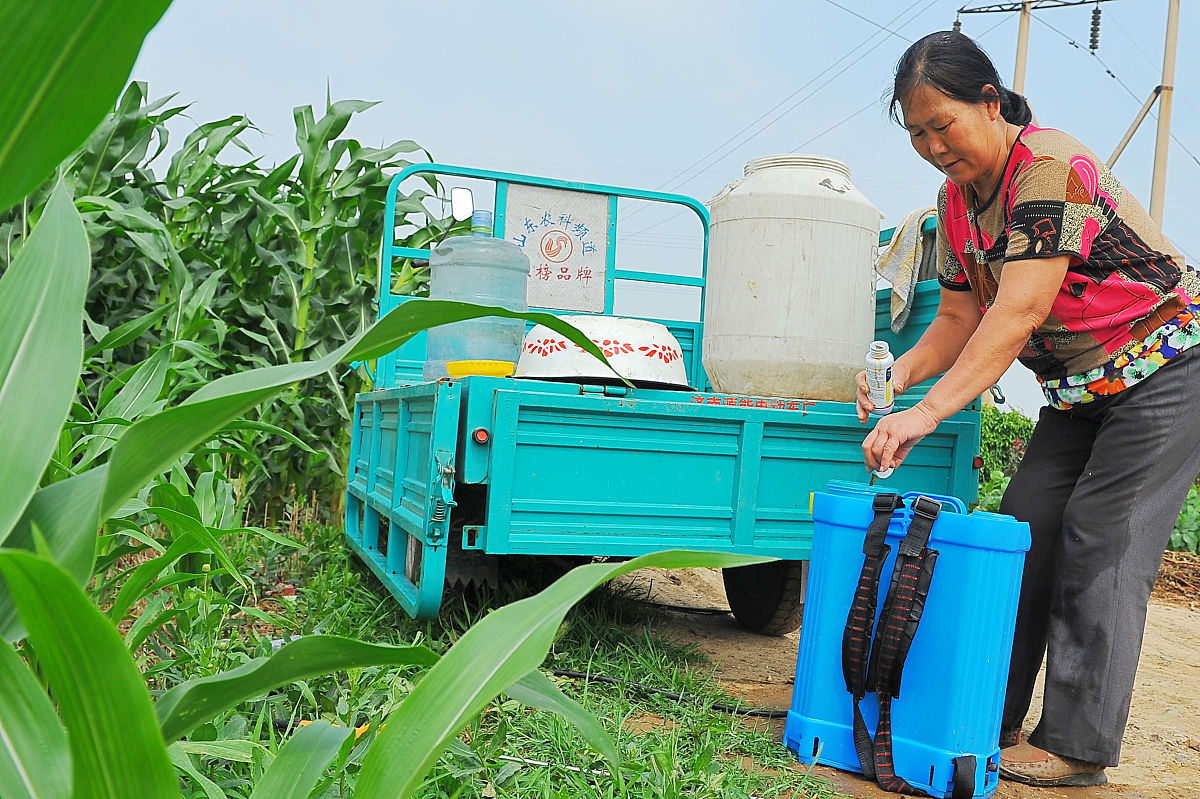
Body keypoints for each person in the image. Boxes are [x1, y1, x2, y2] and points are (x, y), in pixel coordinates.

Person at [857, 30, 1200, 789]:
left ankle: (1077, 745)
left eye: (943, 124)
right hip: (1080, 388)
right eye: (916, 133)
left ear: (990, 102)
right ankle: (989, 715)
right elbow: (955, 320)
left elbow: (1016, 313)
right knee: (1022, 532)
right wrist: (898, 375)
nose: (933, 145)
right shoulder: (952, 207)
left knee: (1101, 539)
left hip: (1169, 364)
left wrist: (926, 415)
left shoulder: (1047, 170)